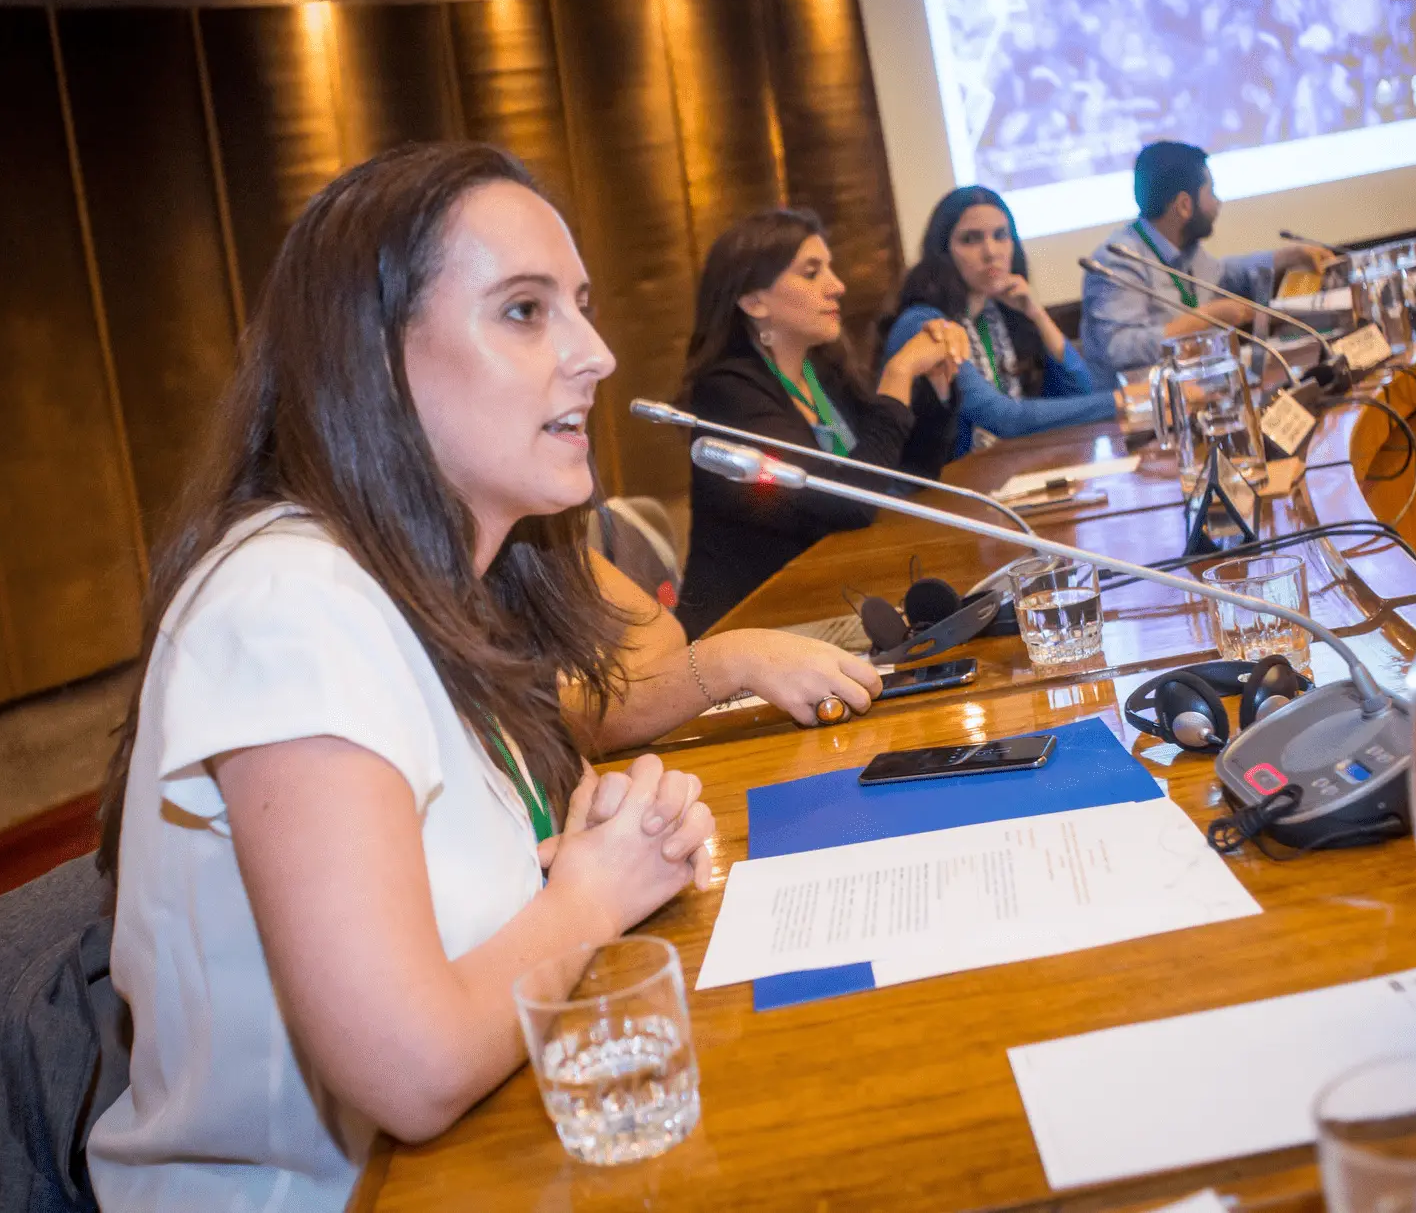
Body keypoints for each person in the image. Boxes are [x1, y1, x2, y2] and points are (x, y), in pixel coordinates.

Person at [87, 143, 883, 1212]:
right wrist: (595, 890)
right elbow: (411, 1068)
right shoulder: (287, 603)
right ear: (374, 360)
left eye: (581, 307)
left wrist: (597, 838)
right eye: (523, 311)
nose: (597, 354)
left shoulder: (433, 582)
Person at [675, 209, 968, 638]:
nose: (838, 286)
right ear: (754, 302)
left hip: (827, 601)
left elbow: (907, 473)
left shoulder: (821, 371)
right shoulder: (729, 394)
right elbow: (847, 504)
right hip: (748, 627)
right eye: (812, 273)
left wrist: (936, 386)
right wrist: (898, 373)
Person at [883, 187, 1119, 458]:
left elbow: (1080, 392)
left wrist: (1037, 315)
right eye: (971, 239)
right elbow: (1004, 419)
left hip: (1006, 466)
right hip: (942, 480)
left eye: (1000, 236)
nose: (991, 252)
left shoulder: (999, 313)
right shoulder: (925, 325)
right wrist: (1121, 400)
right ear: (943, 252)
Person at [1080, 140, 1327, 387]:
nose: (1218, 202)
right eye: (1210, 192)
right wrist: (1204, 319)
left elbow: (1223, 274)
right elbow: (1119, 349)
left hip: (1198, 386)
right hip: (1143, 401)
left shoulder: (1184, 246)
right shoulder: (1117, 260)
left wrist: (1287, 257)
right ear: (1184, 205)